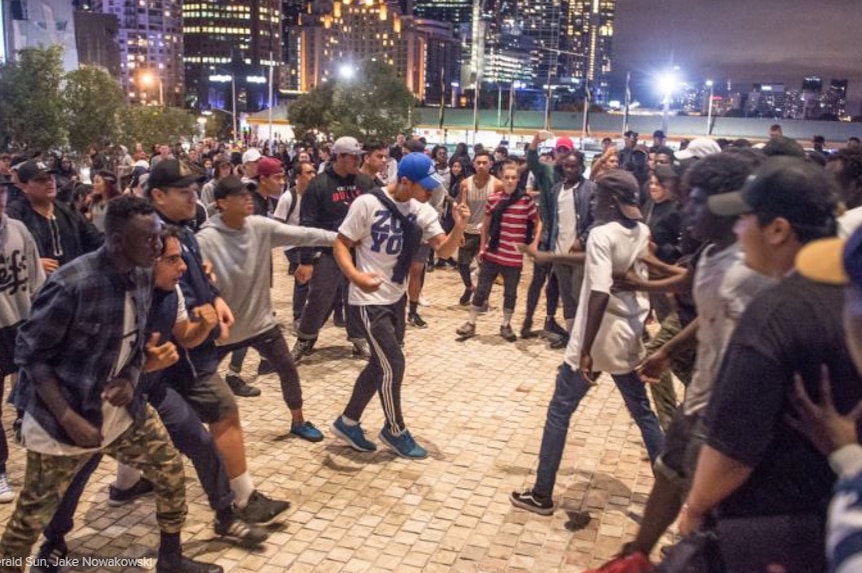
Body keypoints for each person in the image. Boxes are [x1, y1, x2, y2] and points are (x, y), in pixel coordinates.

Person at [0, 196, 221, 573]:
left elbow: (134, 342)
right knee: (29, 520)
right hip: (62, 420)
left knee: (168, 471)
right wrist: (69, 417)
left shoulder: (140, 275)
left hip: (121, 411)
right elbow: (30, 354)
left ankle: (170, 560)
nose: (158, 247)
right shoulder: (72, 284)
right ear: (118, 241)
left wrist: (131, 377)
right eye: (149, 240)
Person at [587, 152, 774, 572]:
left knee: (708, 513)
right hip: (702, 399)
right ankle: (637, 553)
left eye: (695, 201)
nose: (686, 209)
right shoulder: (711, 253)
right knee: (670, 470)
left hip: (733, 412)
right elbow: (703, 302)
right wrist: (668, 350)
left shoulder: (756, 268)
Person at [677, 157, 846, 571]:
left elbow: (734, 448)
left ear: (778, 230)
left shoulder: (776, 312)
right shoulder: (846, 294)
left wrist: (695, 506)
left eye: (747, 218)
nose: (738, 229)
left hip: (769, 520)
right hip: (829, 510)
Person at [146, 160, 290, 528]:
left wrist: (215, 296)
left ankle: (126, 483)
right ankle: (240, 500)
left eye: (195, 189)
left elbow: (196, 277)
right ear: (158, 195)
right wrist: (197, 324)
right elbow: (166, 298)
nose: (194, 196)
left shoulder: (184, 229)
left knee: (151, 429)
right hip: (178, 354)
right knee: (222, 410)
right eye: (184, 191)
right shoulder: (151, 240)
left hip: (182, 351)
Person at [510, 170, 663, 515]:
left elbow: (597, 293)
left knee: (559, 411)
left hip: (598, 337)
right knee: (643, 414)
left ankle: (541, 494)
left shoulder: (600, 234)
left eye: (596, 196)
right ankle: (670, 487)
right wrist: (553, 258)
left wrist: (584, 353)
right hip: (628, 336)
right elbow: (608, 262)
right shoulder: (640, 230)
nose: (591, 201)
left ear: (609, 199)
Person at [330, 152, 470, 458]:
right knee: (394, 364)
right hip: (368, 300)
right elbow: (341, 243)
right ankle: (395, 430)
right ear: (405, 181)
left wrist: (459, 226)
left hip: (396, 298)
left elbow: (444, 251)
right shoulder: (367, 204)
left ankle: (347, 421)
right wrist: (355, 275)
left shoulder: (422, 210)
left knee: (379, 365)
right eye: (425, 186)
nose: (430, 191)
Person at [197, 175, 337, 441]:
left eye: (249, 193)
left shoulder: (259, 226)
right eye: (240, 195)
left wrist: (342, 238)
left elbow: (306, 234)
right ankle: (188, 432)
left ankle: (298, 420)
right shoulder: (206, 239)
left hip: (262, 324)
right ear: (222, 203)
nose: (248, 198)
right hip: (222, 331)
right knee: (196, 382)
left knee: (287, 368)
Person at [291, 136, 375, 363]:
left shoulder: (365, 182)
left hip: (358, 251)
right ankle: (305, 338)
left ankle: (358, 338)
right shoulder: (318, 185)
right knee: (320, 296)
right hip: (329, 250)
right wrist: (306, 260)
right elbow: (306, 224)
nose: (358, 160)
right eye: (353, 156)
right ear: (340, 156)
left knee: (357, 295)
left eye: (359, 156)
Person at [456, 162, 541, 341]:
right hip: (493, 253)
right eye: (507, 178)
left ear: (518, 180)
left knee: (510, 292)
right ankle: (471, 323)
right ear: (501, 179)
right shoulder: (494, 199)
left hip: (513, 257)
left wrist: (534, 243)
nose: (510, 181)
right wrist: (482, 248)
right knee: (481, 290)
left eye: (513, 178)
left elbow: (538, 222)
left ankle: (505, 324)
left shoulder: (526, 202)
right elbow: (486, 225)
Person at [0, 175, 45, 503]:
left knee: (35, 389)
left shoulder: (17, 230)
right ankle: (0, 469)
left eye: (2, 190)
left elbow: (36, 281)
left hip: (22, 323)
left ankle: (33, 444)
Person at [6, 160, 103, 275]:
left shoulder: (68, 211)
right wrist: (31, 264)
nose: (49, 182)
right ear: (24, 186)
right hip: (36, 288)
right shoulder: (14, 216)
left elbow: (95, 239)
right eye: (41, 180)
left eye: (51, 177)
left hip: (71, 284)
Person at [456, 150, 503, 306]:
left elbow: (500, 211)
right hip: (469, 229)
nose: (481, 166)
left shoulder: (496, 185)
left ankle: (484, 298)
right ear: (474, 164)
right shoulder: (465, 184)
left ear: (490, 164)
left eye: (485, 162)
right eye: (478, 162)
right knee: (462, 264)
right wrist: (459, 230)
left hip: (487, 232)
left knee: (486, 268)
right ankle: (469, 287)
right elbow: (460, 208)